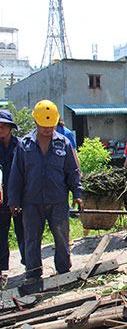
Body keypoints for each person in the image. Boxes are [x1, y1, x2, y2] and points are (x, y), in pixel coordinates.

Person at [8, 100, 82, 283]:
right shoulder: (24, 145)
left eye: (51, 126)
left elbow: (73, 171)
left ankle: (64, 271)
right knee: (31, 238)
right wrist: (13, 200)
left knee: (61, 237)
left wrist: (78, 194)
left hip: (58, 200)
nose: (48, 130)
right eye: (43, 126)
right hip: (31, 202)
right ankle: (33, 274)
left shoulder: (63, 143)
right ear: (35, 122)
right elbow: (16, 175)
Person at [0, 110, 25, 286]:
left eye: (3, 126)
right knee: (1, 234)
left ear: (10, 128)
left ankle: (30, 266)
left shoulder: (21, 146)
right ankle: (2, 270)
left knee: (23, 231)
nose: (0, 129)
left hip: (20, 196)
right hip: (0, 199)